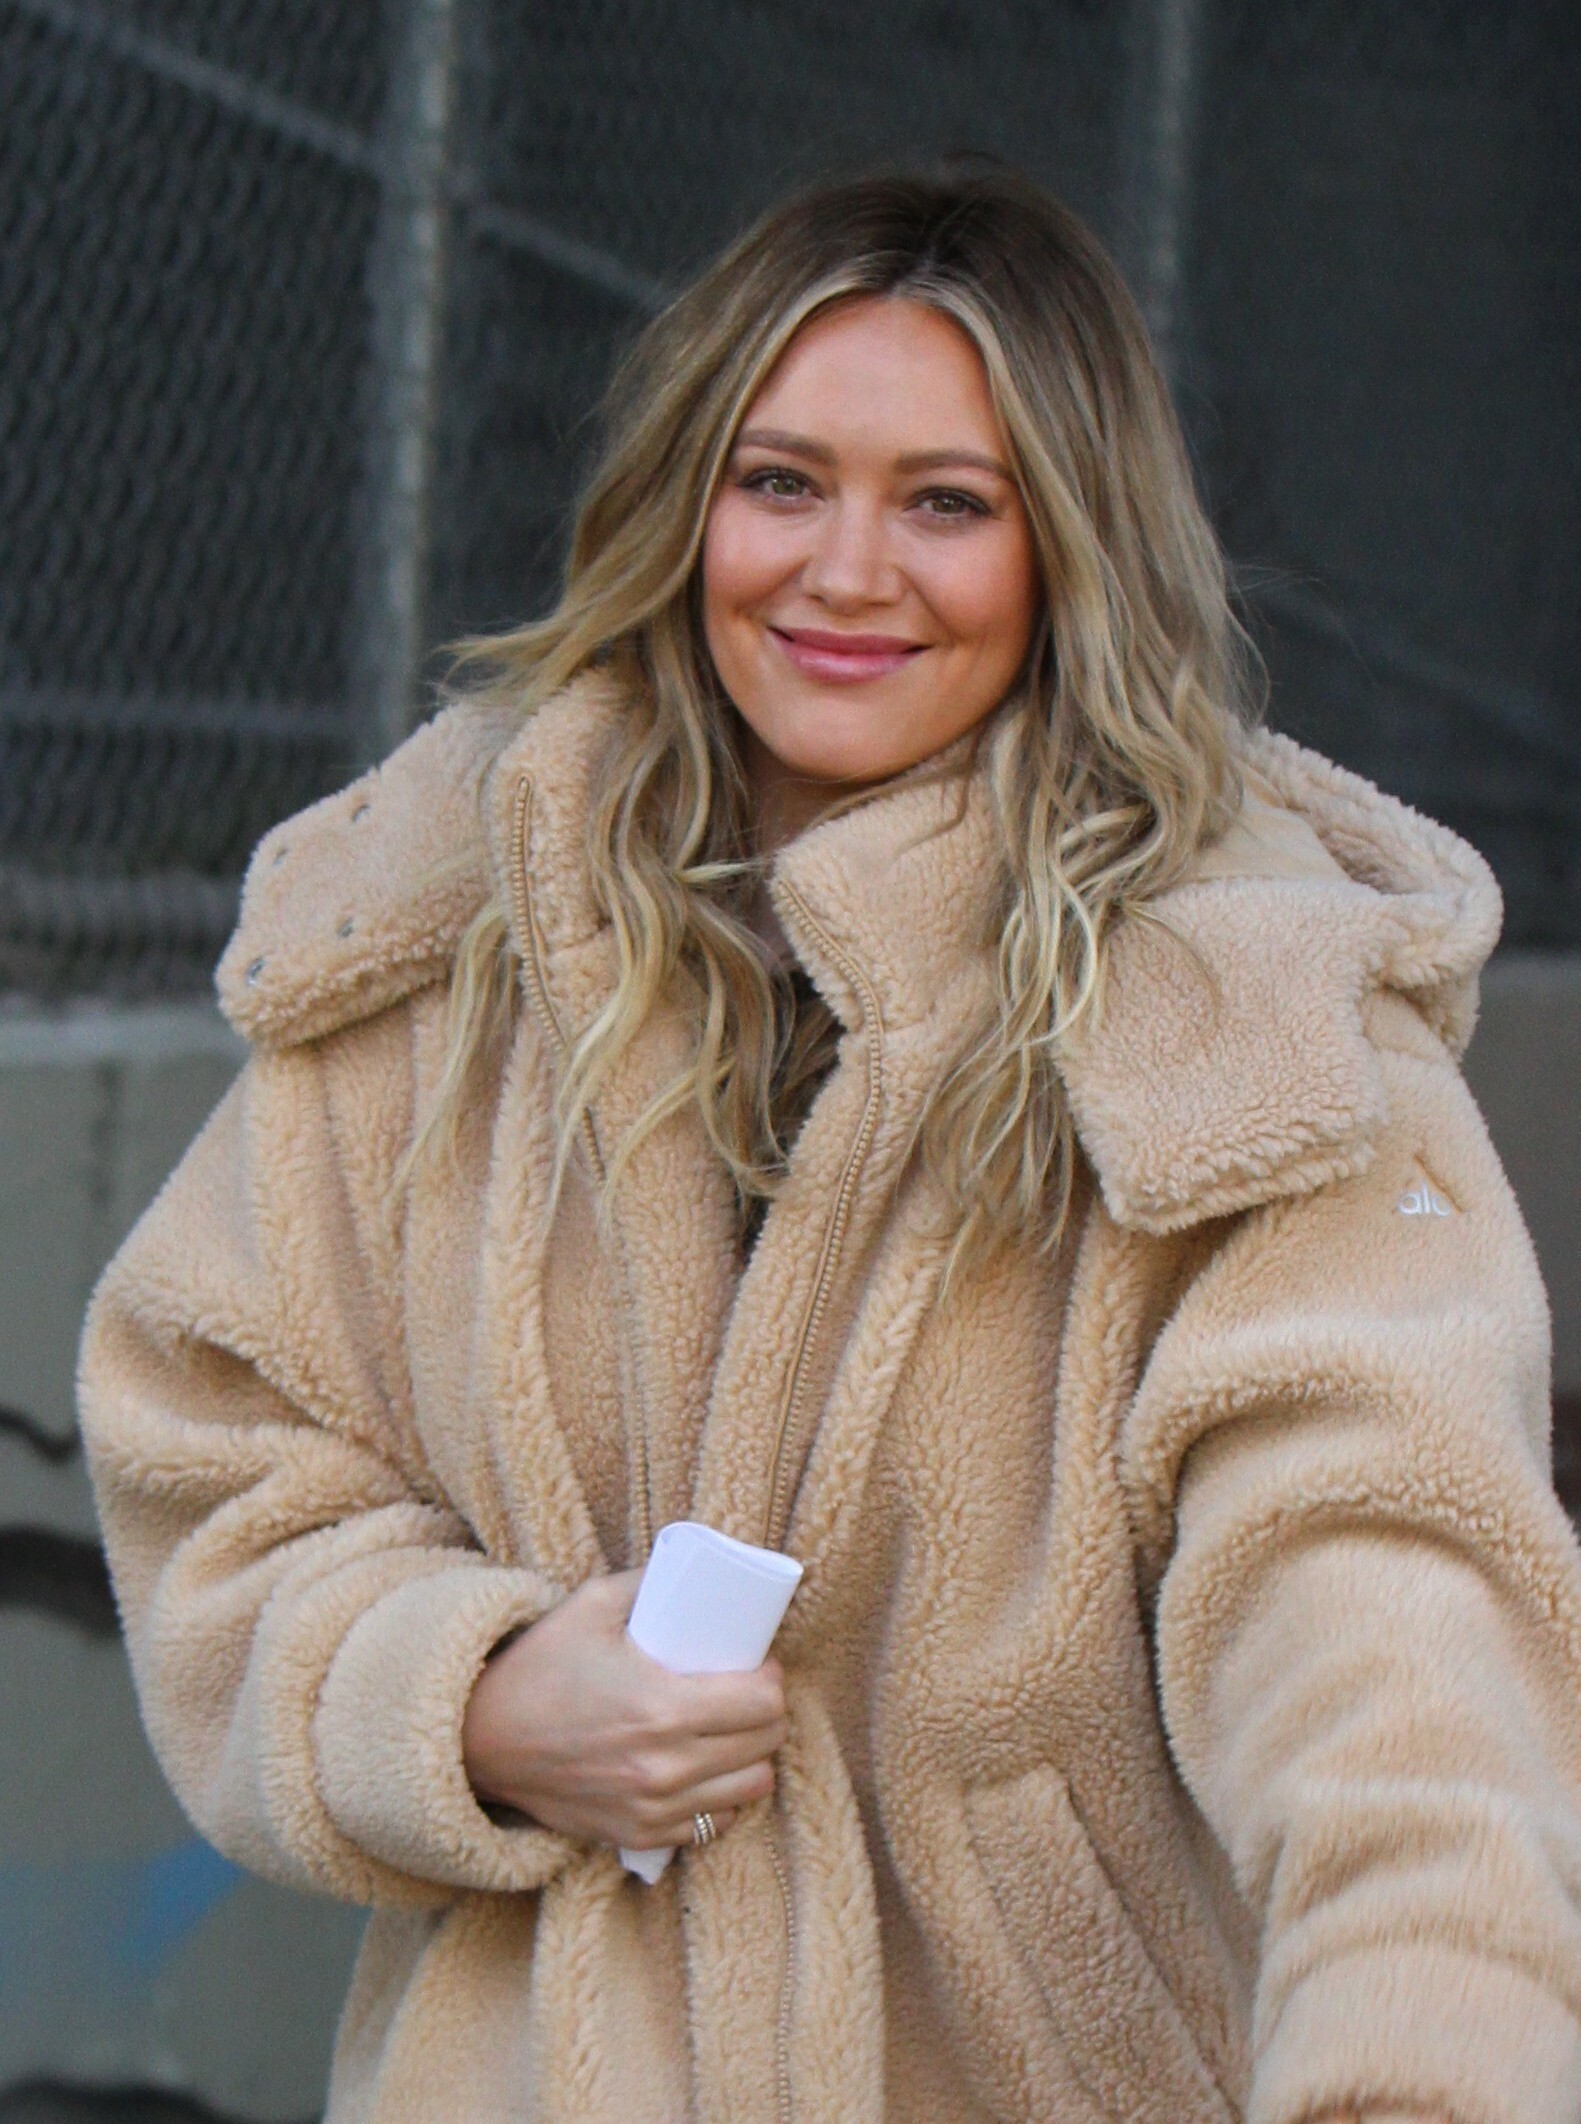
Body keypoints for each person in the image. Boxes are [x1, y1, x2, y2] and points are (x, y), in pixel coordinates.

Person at [78, 164, 1581, 2124]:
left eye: (945, 502)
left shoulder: (1243, 1012)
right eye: (779, 482)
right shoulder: (452, 944)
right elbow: (218, 1434)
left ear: (1072, 545)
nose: (844, 571)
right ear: (684, 503)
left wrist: (1419, 2071)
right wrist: (467, 1694)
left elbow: (1389, 1640)